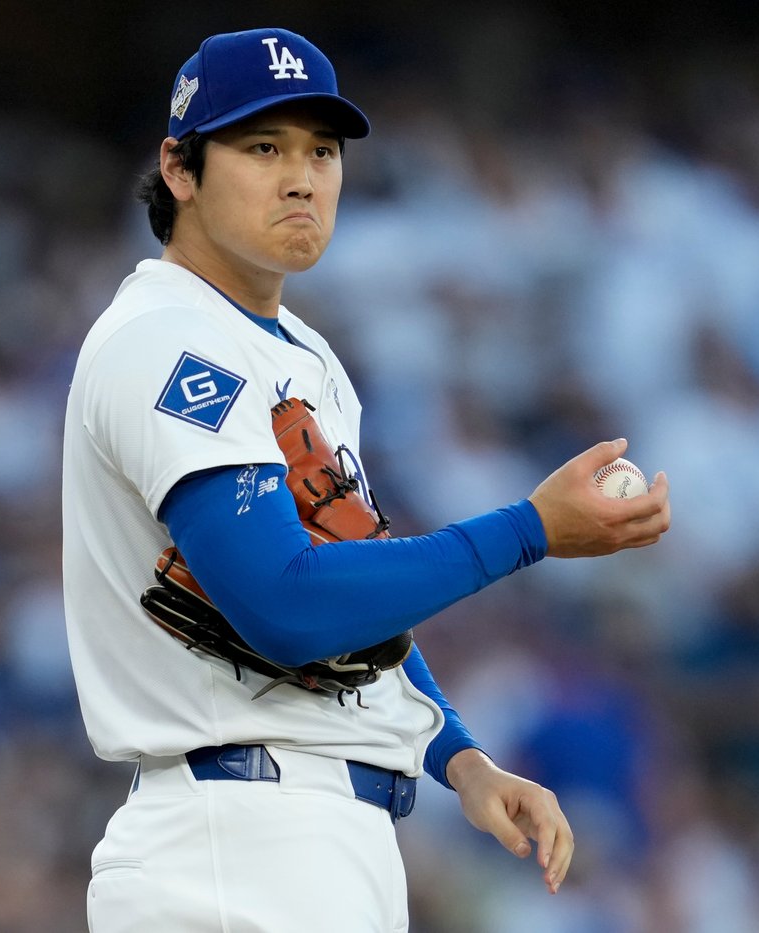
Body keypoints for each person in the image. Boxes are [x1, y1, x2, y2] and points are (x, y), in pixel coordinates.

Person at [61, 26, 671, 931]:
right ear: (180, 170)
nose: (302, 176)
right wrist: (529, 530)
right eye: (262, 146)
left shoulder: (303, 353)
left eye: (321, 150)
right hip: (233, 836)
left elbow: (352, 590)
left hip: (316, 836)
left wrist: (459, 758)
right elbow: (287, 603)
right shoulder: (167, 337)